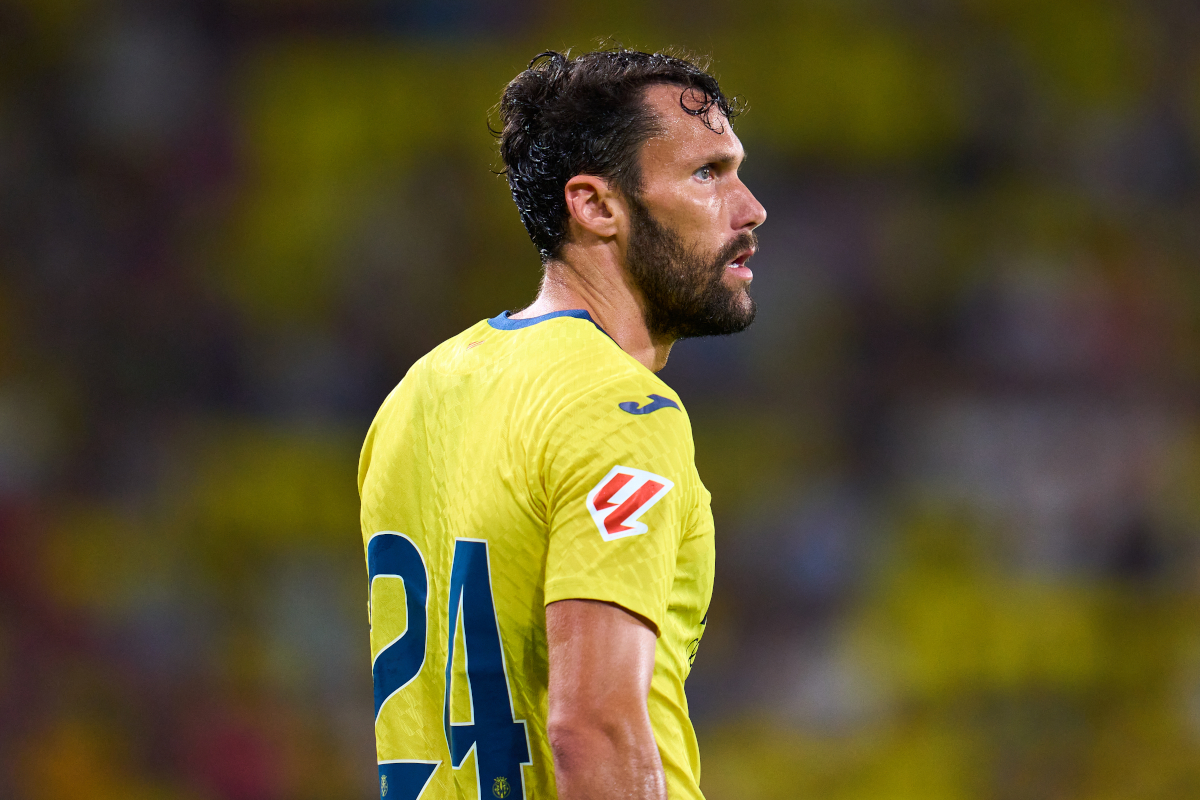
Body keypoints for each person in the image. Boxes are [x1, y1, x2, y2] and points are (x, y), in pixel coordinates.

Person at [358, 48, 766, 800]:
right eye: (707, 174)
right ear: (597, 206)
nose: (750, 208)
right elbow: (595, 729)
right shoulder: (620, 407)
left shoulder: (419, 391)